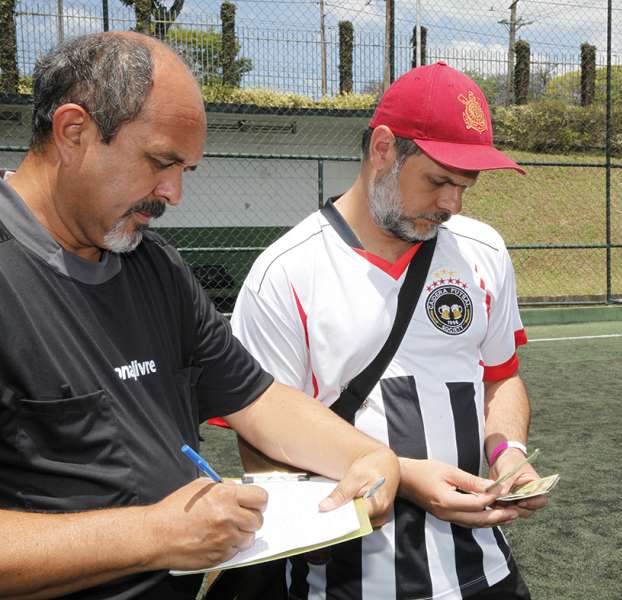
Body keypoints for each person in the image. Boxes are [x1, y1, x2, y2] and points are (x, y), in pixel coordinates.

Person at [0, 31, 399, 600]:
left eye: (186, 168)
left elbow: (257, 399)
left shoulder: (154, 265)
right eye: (162, 162)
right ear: (74, 132)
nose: (174, 192)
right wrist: (152, 536)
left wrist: (365, 454)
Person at [230, 62, 549, 599]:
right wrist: (399, 475)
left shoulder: (484, 251)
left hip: (486, 573)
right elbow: (263, 448)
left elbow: (501, 378)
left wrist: (507, 451)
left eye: (465, 185)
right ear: (382, 148)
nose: (453, 204)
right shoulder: (284, 273)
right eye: (439, 181)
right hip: (347, 583)